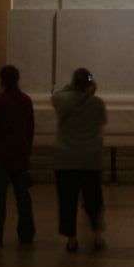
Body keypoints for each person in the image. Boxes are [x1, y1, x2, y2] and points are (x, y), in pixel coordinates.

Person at [0, 65, 35, 247]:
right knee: (23, 198)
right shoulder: (26, 100)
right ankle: (26, 234)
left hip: (0, 155)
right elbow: (29, 130)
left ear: (2, 80)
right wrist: (26, 151)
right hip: (18, 154)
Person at [52, 68, 107, 252]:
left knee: (67, 201)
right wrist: (91, 84)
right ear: (89, 84)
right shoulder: (97, 104)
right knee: (93, 200)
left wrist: (78, 83)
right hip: (90, 160)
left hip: (66, 159)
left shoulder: (61, 100)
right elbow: (102, 122)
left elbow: (59, 93)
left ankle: (72, 239)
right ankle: (97, 236)